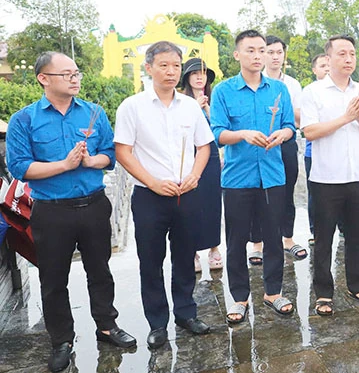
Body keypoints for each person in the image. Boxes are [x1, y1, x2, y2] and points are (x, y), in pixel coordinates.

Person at [6, 52, 136, 372]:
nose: (75, 78)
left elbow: (110, 153)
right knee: (53, 279)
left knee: (100, 272)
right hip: (52, 211)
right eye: (66, 74)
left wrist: (92, 161)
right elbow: (19, 167)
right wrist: (63, 165)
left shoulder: (93, 112)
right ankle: (61, 340)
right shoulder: (25, 120)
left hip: (92, 205)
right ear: (44, 79)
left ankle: (107, 326)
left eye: (76, 72)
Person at [115, 41, 213, 350]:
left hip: (186, 193)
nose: (171, 72)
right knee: (151, 261)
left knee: (185, 257)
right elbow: (123, 152)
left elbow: (204, 146)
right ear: (149, 68)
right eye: (163, 65)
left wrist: (195, 176)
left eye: (175, 66)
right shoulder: (132, 106)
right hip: (150, 196)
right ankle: (157, 323)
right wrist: (154, 182)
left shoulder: (189, 106)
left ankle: (186, 313)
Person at [210, 30, 296, 323]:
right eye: (251, 50)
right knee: (236, 241)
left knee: (273, 237)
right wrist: (244, 134)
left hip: (272, 176)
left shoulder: (278, 90)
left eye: (262, 50)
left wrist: (282, 134)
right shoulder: (223, 91)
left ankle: (273, 291)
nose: (258, 56)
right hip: (237, 178)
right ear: (237, 55)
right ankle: (239, 297)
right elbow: (218, 134)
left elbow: (289, 127)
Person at [300, 35, 359, 316]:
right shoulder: (313, 91)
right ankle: (323, 292)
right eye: (342, 54)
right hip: (325, 178)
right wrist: (346, 118)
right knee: (324, 238)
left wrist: (358, 116)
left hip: (358, 175)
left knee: (357, 237)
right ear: (329, 58)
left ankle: (357, 284)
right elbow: (309, 131)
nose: (348, 59)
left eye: (352, 54)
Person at [252, 35, 307, 261]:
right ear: (262, 54)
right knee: (256, 192)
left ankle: (288, 238)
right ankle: (257, 243)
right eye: (270, 52)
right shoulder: (254, 80)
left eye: (279, 53)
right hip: (259, 144)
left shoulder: (291, 84)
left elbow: (300, 117)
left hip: (285, 143)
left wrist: (281, 107)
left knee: (286, 191)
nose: (275, 57)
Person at [180, 58, 224, 272]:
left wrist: (207, 109)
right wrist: (195, 108)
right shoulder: (180, 101)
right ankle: (192, 251)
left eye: (203, 73)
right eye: (194, 73)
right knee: (191, 205)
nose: (199, 77)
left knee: (212, 202)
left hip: (213, 158)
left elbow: (219, 129)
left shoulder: (215, 99)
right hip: (189, 158)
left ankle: (214, 248)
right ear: (187, 77)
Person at [304, 53, 331, 245]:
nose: (327, 69)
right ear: (314, 70)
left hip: (337, 154)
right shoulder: (311, 92)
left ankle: (343, 229)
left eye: (329, 65)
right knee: (316, 195)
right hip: (313, 153)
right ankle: (316, 230)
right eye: (322, 66)